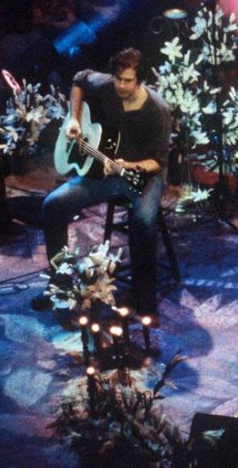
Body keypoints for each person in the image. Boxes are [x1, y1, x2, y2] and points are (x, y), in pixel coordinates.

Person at [40, 48, 171, 315]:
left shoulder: (157, 109)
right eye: (118, 79)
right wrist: (74, 119)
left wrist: (129, 166)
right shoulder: (106, 84)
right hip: (105, 170)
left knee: (144, 222)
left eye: (128, 81)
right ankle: (60, 286)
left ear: (141, 80)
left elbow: (158, 161)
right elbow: (79, 80)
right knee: (52, 205)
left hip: (143, 174)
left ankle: (145, 300)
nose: (121, 86)